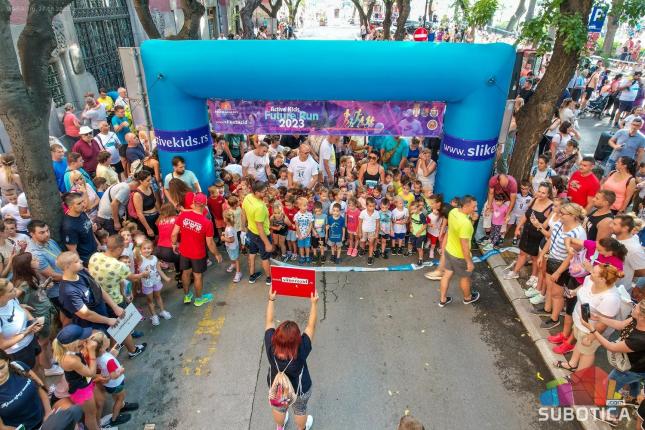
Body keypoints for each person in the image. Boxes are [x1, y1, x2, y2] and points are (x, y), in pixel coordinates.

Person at [581, 299, 645, 425]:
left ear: (642, 316)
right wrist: (599, 318)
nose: (634, 306)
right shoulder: (636, 319)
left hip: (632, 369)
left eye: (636, 306)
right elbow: (620, 325)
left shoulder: (640, 339)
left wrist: (592, 330)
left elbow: (611, 347)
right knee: (634, 381)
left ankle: (612, 414)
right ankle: (633, 398)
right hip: (639, 367)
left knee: (610, 385)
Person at [265, 288, 317, 430]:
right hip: (300, 388)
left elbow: (269, 322)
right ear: (297, 340)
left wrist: (271, 300)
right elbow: (311, 326)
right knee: (300, 409)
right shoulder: (301, 351)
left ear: (276, 337)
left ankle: (280, 427)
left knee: (279, 408)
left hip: (278, 387)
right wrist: (314, 303)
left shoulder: (271, 347)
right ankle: (301, 428)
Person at [554, 264, 621, 372]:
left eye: (594, 272)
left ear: (602, 279)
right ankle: (572, 364)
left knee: (587, 352)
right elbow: (583, 287)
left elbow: (603, 323)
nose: (590, 272)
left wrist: (590, 337)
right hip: (579, 321)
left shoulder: (611, 298)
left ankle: (579, 378)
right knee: (580, 343)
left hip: (592, 330)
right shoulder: (589, 279)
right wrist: (574, 292)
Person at [12, 252, 62, 378]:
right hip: (38, 317)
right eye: (33, 259)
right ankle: (48, 368)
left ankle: (50, 362)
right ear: (27, 266)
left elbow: (34, 294)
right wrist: (20, 307)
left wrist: (43, 287)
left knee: (47, 341)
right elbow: (11, 299)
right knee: (43, 344)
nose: (37, 259)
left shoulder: (31, 277)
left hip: (46, 313)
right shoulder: (23, 283)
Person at [171, 193, 223, 306]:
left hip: (184, 251)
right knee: (197, 275)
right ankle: (199, 299)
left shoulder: (182, 216)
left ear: (193, 203)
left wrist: (174, 244)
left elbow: (174, 233)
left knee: (185, 273)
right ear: (204, 206)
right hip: (198, 254)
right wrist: (217, 254)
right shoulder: (207, 223)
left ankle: (187, 296)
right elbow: (210, 243)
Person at [438, 195, 480, 307]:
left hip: (449, 250)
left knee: (446, 274)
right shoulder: (465, 224)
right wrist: (469, 261)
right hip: (460, 256)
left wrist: (471, 218)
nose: (475, 208)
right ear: (466, 206)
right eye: (474, 206)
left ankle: (442, 299)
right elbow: (464, 244)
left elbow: (457, 230)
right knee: (465, 278)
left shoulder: (453, 211)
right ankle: (467, 298)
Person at [0, 349, 51, 430]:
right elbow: (2, 427)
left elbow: (39, 388)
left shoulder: (18, 366)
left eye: (1, 367)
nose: (0, 374)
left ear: (7, 361)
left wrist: (48, 413)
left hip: (45, 417)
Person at [0, 279, 44, 373]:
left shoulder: (11, 299)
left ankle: (45, 387)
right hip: (18, 352)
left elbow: (20, 309)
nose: (16, 290)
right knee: (30, 374)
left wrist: (32, 320)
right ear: (1, 297)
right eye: (11, 290)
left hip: (30, 340)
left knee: (38, 366)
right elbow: (2, 345)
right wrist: (25, 333)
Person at [242, 182, 273, 285]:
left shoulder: (247, 197)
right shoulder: (260, 207)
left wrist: (243, 228)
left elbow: (244, 213)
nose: (266, 193)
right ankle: (269, 278)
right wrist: (267, 243)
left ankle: (252, 276)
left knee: (252, 254)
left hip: (251, 233)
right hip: (261, 236)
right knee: (265, 258)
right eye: (264, 192)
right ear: (256, 192)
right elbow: (260, 228)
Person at [135, 239, 171, 326]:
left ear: (152, 249)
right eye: (144, 248)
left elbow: (159, 269)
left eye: (149, 248)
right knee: (150, 300)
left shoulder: (155, 258)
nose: (147, 250)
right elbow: (136, 252)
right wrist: (137, 244)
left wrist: (166, 278)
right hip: (147, 284)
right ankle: (154, 316)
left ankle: (162, 311)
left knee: (158, 296)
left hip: (156, 281)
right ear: (140, 250)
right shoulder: (140, 259)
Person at [61, 193, 97, 265]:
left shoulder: (82, 213)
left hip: (95, 252)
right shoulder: (68, 227)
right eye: (79, 203)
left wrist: (98, 244)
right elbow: (72, 250)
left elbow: (90, 231)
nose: (83, 205)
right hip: (86, 259)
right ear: (70, 206)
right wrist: (81, 265)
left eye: (83, 202)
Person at [612, 215, 645, 292]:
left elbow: (642, 271)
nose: (610, 225)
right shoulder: (614, 236)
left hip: (618, 290)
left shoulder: (634, 249)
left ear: (625, 228)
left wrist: (627, 274)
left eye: (614, 224)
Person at [132, 170, 160, 238]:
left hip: (156, 217)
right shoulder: (137, 195)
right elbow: (139, 213)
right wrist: (148, 229)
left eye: (151, 179)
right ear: (141, 181)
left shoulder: (150, 188)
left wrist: (160, 214)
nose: (150, 182)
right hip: (147, 220)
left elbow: (155, 202)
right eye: (148, 180)